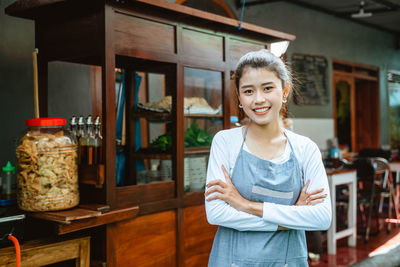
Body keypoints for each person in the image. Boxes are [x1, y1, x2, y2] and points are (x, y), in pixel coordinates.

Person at [204, 49, 332, 267]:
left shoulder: (305, 149)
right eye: (248, 91)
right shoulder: (225, 142)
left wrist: (246, 205)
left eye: (268, 88)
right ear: (240, 97)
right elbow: (216, 214)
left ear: (284, 90)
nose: (259, 99)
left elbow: (321, 217)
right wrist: (289, 220)